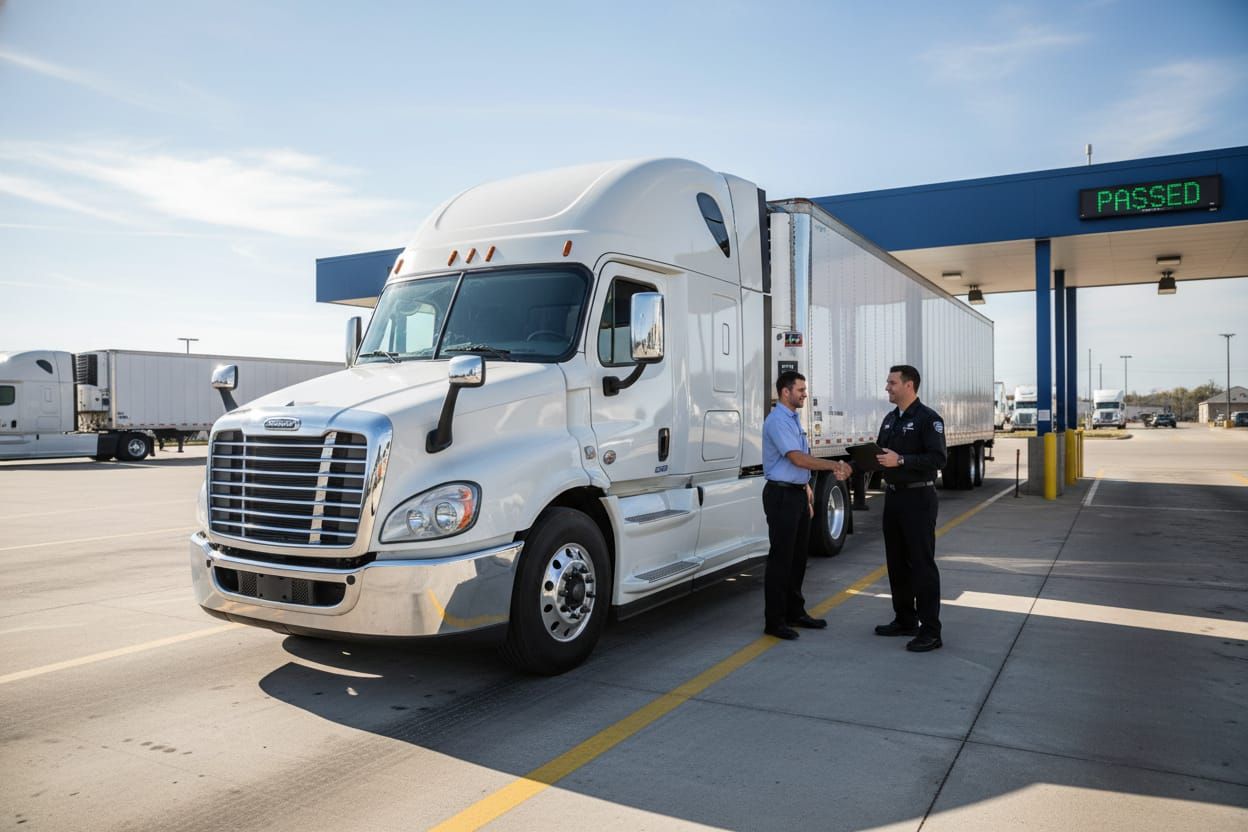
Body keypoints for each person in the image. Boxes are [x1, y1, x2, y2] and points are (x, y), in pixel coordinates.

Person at [761, 371, 851, 640]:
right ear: (785, 392)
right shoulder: (778, 421)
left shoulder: (792, 418)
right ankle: (774, 621)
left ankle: (795, 612)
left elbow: (799, 463)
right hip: (781, 497)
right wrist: (835, 465)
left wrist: (807, 489)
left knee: (799, 558)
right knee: (781, 559)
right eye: (800, 389)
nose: (804, 394)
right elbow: (797, 459)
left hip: (797, 495)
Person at [869, 365, 947, 652]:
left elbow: (938, 459)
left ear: (909, 385)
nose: (887, 387)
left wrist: (902, 461)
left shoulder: (929, 419)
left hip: (919, 499)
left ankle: (931, 631)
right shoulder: (891, 419)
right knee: (897, 562)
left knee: (921, 565)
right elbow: (879, 455)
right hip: (894, 499)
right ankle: (905, 620)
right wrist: (849, 466)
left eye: (891, 382)